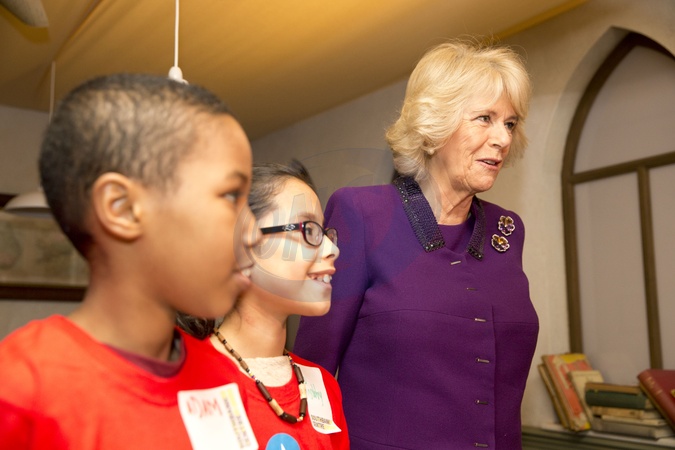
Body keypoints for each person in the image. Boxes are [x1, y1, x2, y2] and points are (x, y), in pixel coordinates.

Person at [294, 40, 540, 449]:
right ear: (435, 124)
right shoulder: (362, 214)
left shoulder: (507, 230)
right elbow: (311, 369)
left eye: (510, 124)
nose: (502, 138)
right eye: (485, 118)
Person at [0, 73, 261, 449]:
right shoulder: (21, 389)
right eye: (231, 195)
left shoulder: (224, 380)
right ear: (122, 208)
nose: (253, 234)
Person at [179, 160, 349, 449]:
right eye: (308, 230)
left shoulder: (322, 386)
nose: (332, 249)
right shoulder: (184, 380)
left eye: (325, 233)